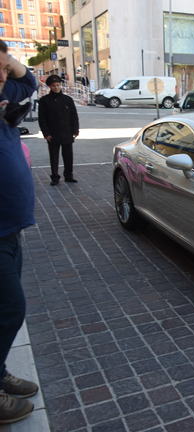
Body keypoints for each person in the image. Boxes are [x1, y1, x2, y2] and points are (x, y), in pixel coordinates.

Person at [0, 38, 40, 425]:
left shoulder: (5, 95)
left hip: (10, 230)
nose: (2, 76)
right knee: (10, 309)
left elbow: (29, 84)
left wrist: (8, 61)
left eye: (2, 68)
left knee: (6, 309)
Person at [38, 74, 80, 186]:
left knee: (68, 156)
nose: (56, 87)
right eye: (53, 85)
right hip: (53, 134)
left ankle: (69, 176)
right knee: (54, 157)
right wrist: (46, 134)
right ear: (49, 87)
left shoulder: (68, 100)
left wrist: (76, 130)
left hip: (67, 133)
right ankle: (55, 177)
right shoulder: (44, 101)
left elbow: (74, 116)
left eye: (58, 85)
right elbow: (42, 119)